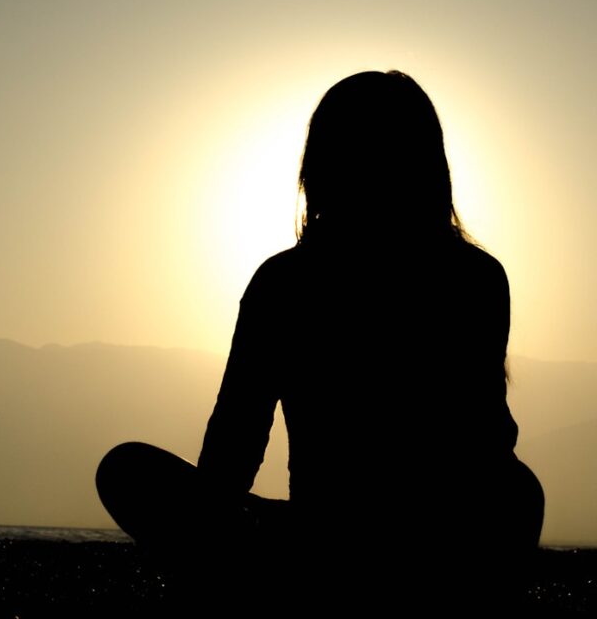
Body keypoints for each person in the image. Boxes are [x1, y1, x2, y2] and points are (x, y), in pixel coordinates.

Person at [96, 70, 544, 610]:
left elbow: (231, 454)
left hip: (335, 547)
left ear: (319, 167)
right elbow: (487, 442)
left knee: (127, 471)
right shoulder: (476, 276)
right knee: (517, 491)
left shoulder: (286, 282)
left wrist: (209, 538)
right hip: (414, 545)